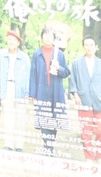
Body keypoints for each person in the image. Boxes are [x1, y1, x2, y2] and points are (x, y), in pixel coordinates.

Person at [26, 23, 71, 157]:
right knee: (43, 118)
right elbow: (33, 74)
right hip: (42, 91)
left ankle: (51, 146)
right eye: (45, 35)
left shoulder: (59, 54)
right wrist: (33, 93)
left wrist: (58, 68)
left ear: (54, 38)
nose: (47, 38)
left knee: (54, 119)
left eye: (50, 36)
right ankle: (47, 147)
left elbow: (66, 72)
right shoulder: (37, 54)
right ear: (42, 37)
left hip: (56, 92)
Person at [69, 35, 101, 163]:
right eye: (86, 45)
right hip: (84, 101)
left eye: (91, 45)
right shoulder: (77, 63)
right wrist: (75, 94)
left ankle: (100, 155)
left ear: (96, 47)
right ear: (83, 47)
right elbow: (73, 81)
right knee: (85, 131)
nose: (89, 47)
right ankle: (89, 157)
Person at [0, 27, 31, 150]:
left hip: (20, 89)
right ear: (7, 40)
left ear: (18, 42)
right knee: (8, 117)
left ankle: (19, 146)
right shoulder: (1, 54)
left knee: (20, 118)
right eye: (10, 39)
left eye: (14, 40)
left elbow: (28, 76)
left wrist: (27, 91)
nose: (12, 42)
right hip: (7, 87)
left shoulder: (24, 57)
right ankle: (8, 144)